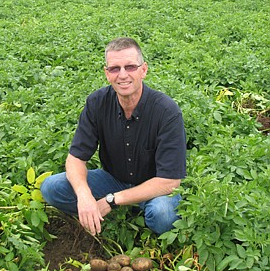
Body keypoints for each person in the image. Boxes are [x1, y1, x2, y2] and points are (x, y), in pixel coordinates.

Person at [41, 37, 186, 236]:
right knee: (51, 187)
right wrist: (84, 196)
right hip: (113, 179)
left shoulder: (166, 112)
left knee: (164, 214)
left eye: (130, 67)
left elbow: (169, 182)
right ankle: (96, 211)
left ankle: (126, 210)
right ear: (107, 73)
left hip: (153, 188)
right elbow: (75, 159)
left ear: (143, 70)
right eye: (115, 68)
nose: (123, 75)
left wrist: (112, 199)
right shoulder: (97, 103)